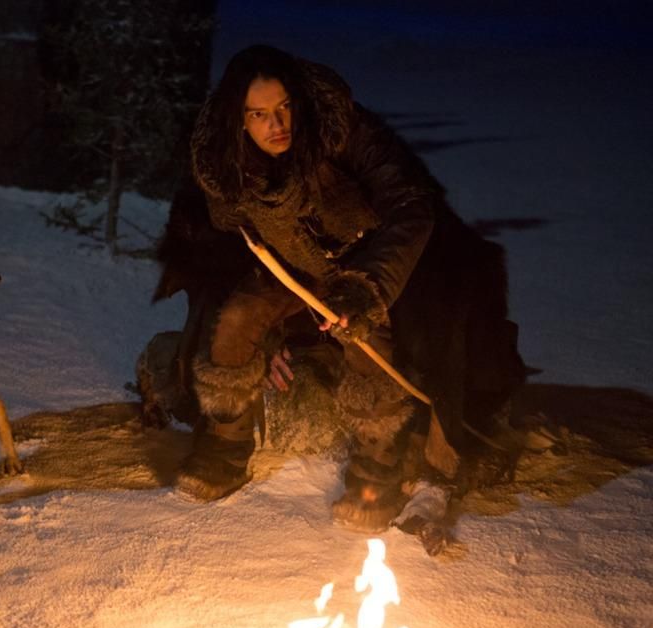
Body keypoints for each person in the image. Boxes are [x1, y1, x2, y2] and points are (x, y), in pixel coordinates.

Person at [145, 45, 526, 527]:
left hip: (367, 262)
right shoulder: (223, 165)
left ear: (300, 101)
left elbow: (411, 205)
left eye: (284, 108)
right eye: (259, 114)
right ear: (238, 120)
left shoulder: (342, 130)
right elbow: (224, 246)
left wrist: (367, 289)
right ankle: (226, 444)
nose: (276, 124)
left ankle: (377, 463)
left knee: (367, 342)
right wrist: (271, 336)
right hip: (291, 271)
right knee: (239, 319)